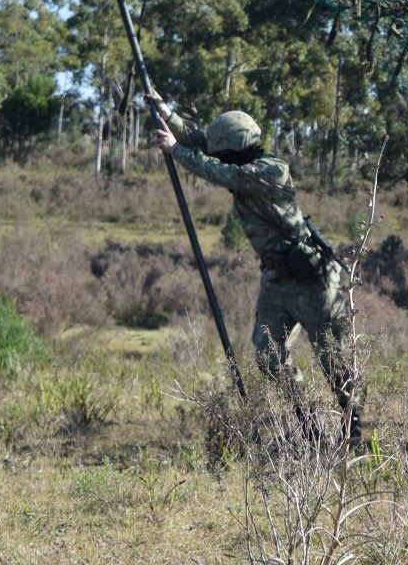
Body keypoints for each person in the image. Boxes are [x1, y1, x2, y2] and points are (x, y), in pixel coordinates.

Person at [148, 97, 359, 434]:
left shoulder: (271, 171)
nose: (218, 154)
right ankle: (309, 424)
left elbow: (222, 171)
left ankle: (354, 430)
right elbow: (203, 143)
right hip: (276, 279)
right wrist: (167, 114)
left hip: (312, 279)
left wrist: (177, 152)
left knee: (333, 359)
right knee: (268, 356)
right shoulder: (238, 159)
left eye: (223, 150)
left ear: (236, 147)